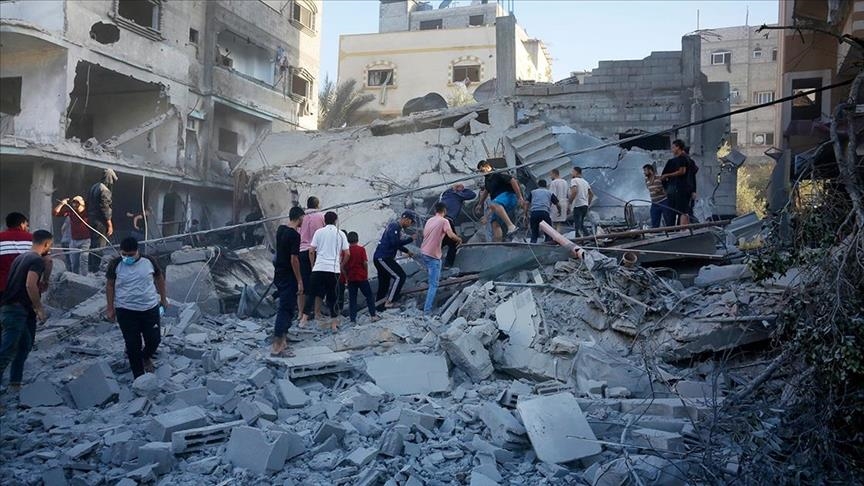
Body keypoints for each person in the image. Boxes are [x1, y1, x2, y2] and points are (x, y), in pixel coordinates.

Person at [106, 237, 167, 378]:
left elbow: (159, 278)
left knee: (154, 340)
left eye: (131, 255)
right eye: (124, 254)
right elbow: (110, 285)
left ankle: (145, 357)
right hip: (125, 310)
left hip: (149, 308)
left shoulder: (149, 261)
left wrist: (163, 299)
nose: (127, 258)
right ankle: (138, 377)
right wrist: (110, 308)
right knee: (133, 345)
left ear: (137, 251)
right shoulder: (115, 264)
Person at [0, 230, 53, 392]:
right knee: (7, 351)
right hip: (16, 310)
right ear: (46, 244)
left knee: (25, 344)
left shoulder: (20, 258)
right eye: (49, 246)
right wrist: (39, 308)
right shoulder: (36, 260)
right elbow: (30, 284)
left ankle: (15, 383)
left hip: (14, 308)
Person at [300, 212, 349, 332]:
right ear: (336, 221)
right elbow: (347, 253)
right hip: (333, 269)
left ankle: (303, 319)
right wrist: (341, 264)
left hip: (319, 267)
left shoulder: (319, 232)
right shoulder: (340, 233)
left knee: (311, 293)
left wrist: (313, 265)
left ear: (325, 220)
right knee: (332, 297)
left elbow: (311, 251)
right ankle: (333, 324)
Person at [271, 206, 304, 357]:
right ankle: (277, 346)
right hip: (289, 276)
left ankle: (283, 342)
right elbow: (294, 259)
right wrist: (299, 280)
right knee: (285, 309)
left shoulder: (281, 230)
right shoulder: (294, 235)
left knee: (288, 308)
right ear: (300, 217)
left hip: (279, 273)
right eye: (303, 218)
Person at [420, 203, 461, 315]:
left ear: (435, 211)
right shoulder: (444, 221)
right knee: (434, 284)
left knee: (432, 277)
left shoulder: (429, 220)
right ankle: (427, 311)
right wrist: (459, 239)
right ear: (445, 211)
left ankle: (428, 300)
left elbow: (425, 234)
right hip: (433, 256)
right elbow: (451, 235)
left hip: (424, 252)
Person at [474, 160, 525, 241]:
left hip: (509, 196)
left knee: (493, 204)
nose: (482, 173)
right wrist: (480, 204)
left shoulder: (497, 174)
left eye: (482, 170)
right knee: (494, 222)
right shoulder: (487, 179)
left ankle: (511, 226)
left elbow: (512, 180)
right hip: (499, 204)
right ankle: (497, 242)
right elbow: (486, 191)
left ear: (488, 167)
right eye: (481, 171)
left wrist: (520, 197)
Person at [373, 211, 415, 310]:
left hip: (382, 257)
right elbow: (394, 243)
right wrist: (410, 240)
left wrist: (407, 251)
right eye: (410, 222)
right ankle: (390, 301)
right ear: (406, 219)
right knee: (400, 276)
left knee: (384, 282)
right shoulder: (394, 227)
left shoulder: (395, 227)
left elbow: (396, 244)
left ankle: (379, 306)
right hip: (383, 258)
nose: (409, 225)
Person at [298, 196, 325, 322]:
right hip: (316, 251)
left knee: (303, 284)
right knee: (319, 283)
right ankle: (317, 312)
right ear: (317, 204)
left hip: (302, 251)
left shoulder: (301, 217)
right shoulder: (321, 216)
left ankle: (301, 313)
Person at [344, 232, 380, 324]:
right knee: (369, 296)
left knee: (352, 299)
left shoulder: (346, 251)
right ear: (357, 239)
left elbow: (343, 266)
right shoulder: (361, 249)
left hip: (351, 278)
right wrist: (366, 273)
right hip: (361, 277)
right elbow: (365, 263)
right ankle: (373, 315)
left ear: (348, 240)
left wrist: (346, 277)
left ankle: (353, 319)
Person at [86, 168, 118, 273]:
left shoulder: (94, 187)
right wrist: (109, 224)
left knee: (93, 244)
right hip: (100, 222)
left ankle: (91, 268)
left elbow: (87, 203)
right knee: (99, 245)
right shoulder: (104, 190)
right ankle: (95, 270)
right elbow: (105, 208)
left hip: (91, 219)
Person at [439, 183, 476, 268]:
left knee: (442, 242)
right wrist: (463, 189)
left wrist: (455, 188)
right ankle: (448, 265)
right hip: (447, 220)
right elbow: (472, 195)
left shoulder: (445, 195)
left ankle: (430, 259)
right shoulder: (457, 195)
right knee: (454, 242)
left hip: (438, 220)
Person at [53, 196, 90, 275]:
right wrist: (62, 204)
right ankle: (74, 277)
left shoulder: (87, 212)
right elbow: (55, 213)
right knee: (74, 263)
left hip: (85, 240)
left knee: (84, 260)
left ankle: (85, 278)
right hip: (74, 240)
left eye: (77, 203)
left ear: (82, 203)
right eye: (74, 203)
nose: (75, 205)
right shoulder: (71, 212)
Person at [0, 213, 32, 302]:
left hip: (3, 286)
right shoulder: (33, 239)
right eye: (26, 225)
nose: (28, 228)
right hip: (25, 287)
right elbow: (47, 260)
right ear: (22, 224)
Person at [658, 139, 690, 226]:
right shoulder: (671, 162)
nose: (672, 149)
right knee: (671, 213)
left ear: (678, 147)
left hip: (681, 190)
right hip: (672, 190)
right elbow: (663, 177)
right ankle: (671, 230)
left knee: (682, 212)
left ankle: (681, 230)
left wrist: (668, 175)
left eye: (673, 147)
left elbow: (682, 171)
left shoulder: (683, 158)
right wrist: (666, 188)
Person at [568, 166, 594, 237]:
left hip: (578, 205)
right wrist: (588, 203)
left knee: (577, 226)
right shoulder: (585, 182)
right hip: (585, 206)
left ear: (576, 172)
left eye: (572, 172)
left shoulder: (574, 180)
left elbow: (574, 191)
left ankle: (578, 240)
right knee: (581, 224)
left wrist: (569, 202)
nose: (571, 173)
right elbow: (591, 194)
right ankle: (588, 237)